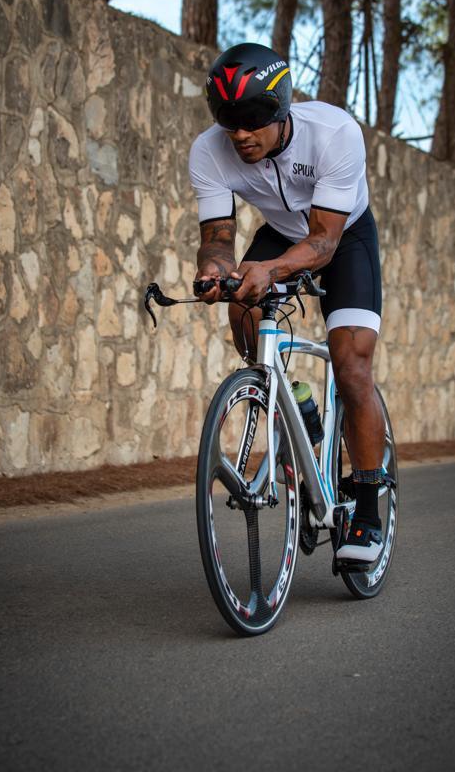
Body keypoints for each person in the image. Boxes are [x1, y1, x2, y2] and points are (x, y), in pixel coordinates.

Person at [188, 42, 385, 564]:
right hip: (280, 231)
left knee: (351, 363)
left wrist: (270, 270)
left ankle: (367, 507)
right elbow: (217, 237)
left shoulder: (335, 134)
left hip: (343, 237)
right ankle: (291, 397)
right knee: (241, 306)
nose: (242, 135)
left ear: (281, 110)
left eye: (253, 119)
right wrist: (215, 270)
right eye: (229, 120)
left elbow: (322, 244)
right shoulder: (209, 151)